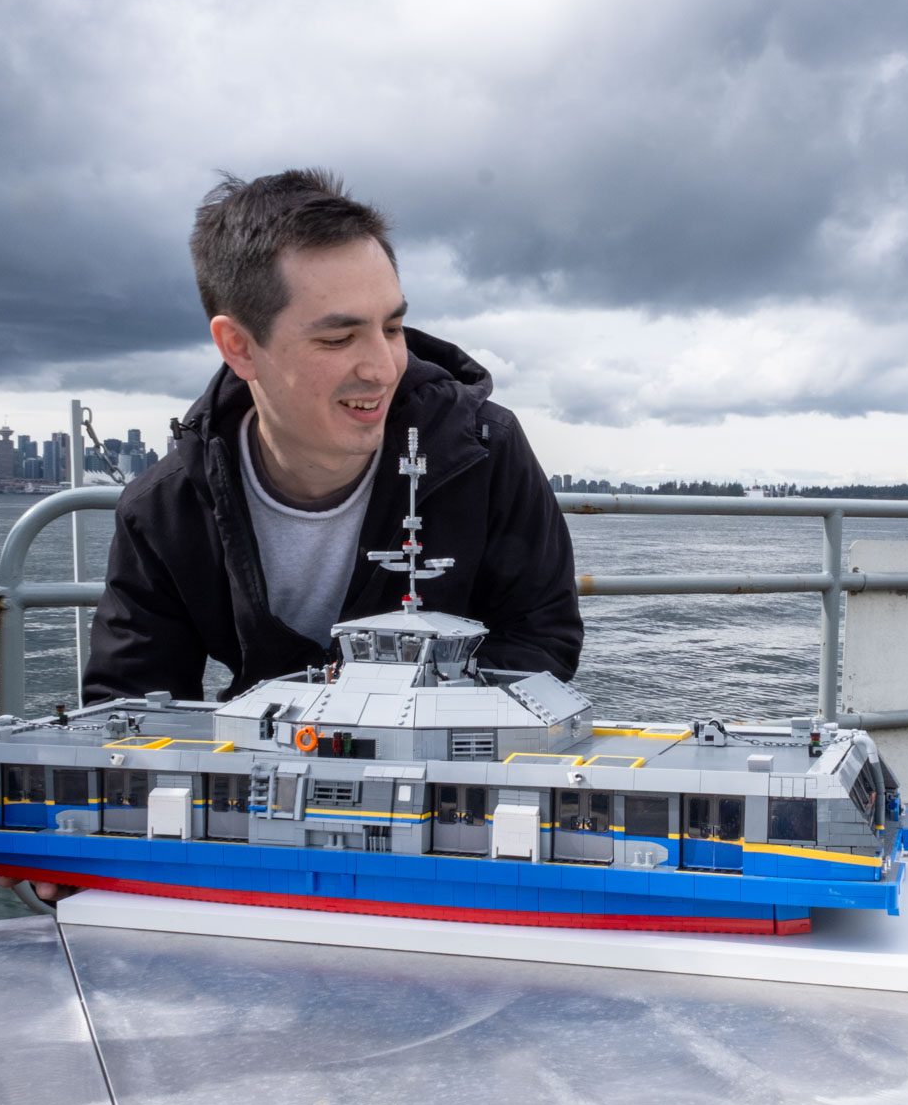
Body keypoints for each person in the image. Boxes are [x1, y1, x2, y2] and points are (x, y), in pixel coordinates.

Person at [82, 169, 583, 706]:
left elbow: (540, 637)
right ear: (240, 347)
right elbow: (131, 703)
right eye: (339, 338)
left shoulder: (485, 449)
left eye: (392, 329)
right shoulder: (164, 508)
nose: (383, 368)